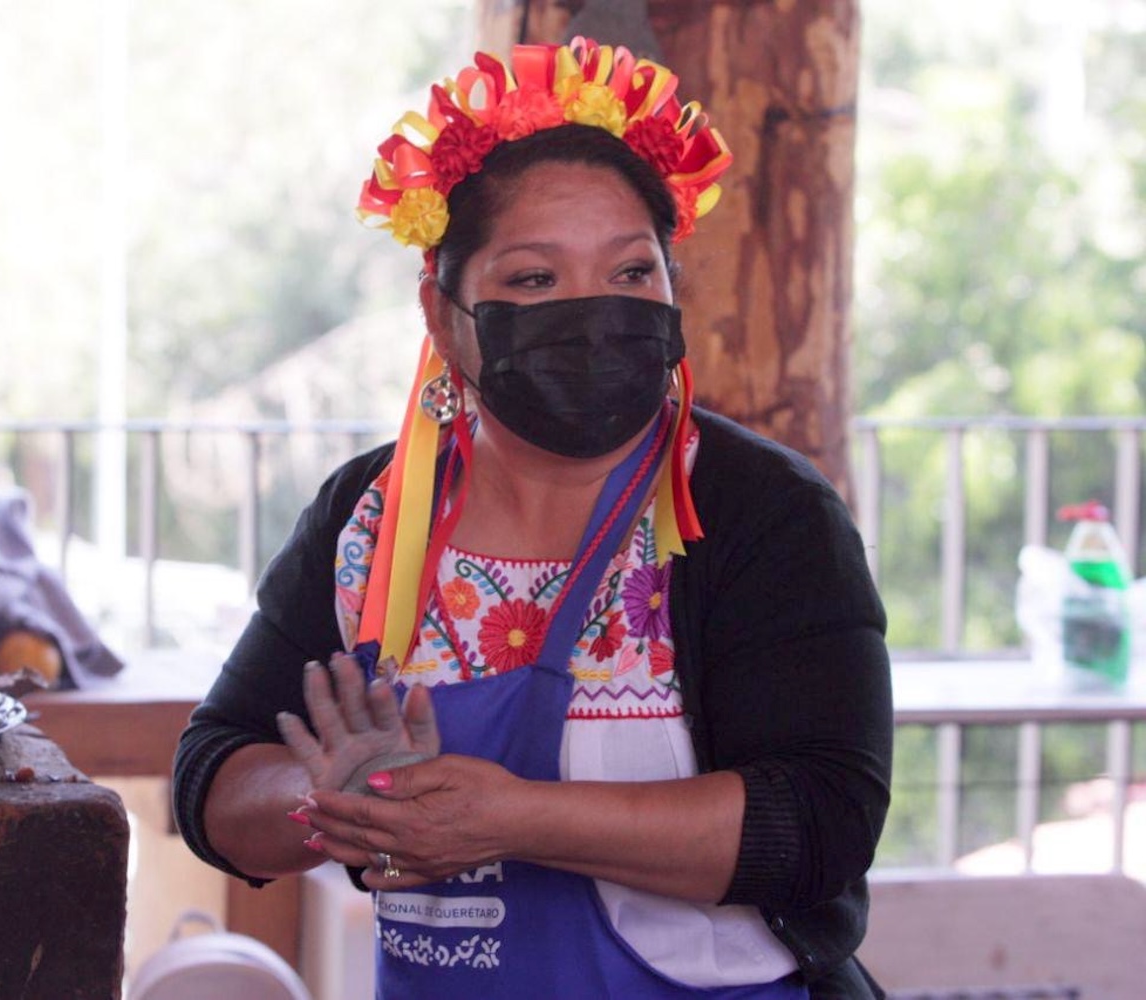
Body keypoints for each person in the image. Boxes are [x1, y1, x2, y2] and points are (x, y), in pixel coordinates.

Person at [173, 37, 892, 999]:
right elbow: (212, 779)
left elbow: (822, 823)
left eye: (632, 273)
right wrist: (330, 800)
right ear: (443, 315)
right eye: (534, 280)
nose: (593, 315)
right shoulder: (372, 519)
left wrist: (515, 819)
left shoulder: (760, 512)